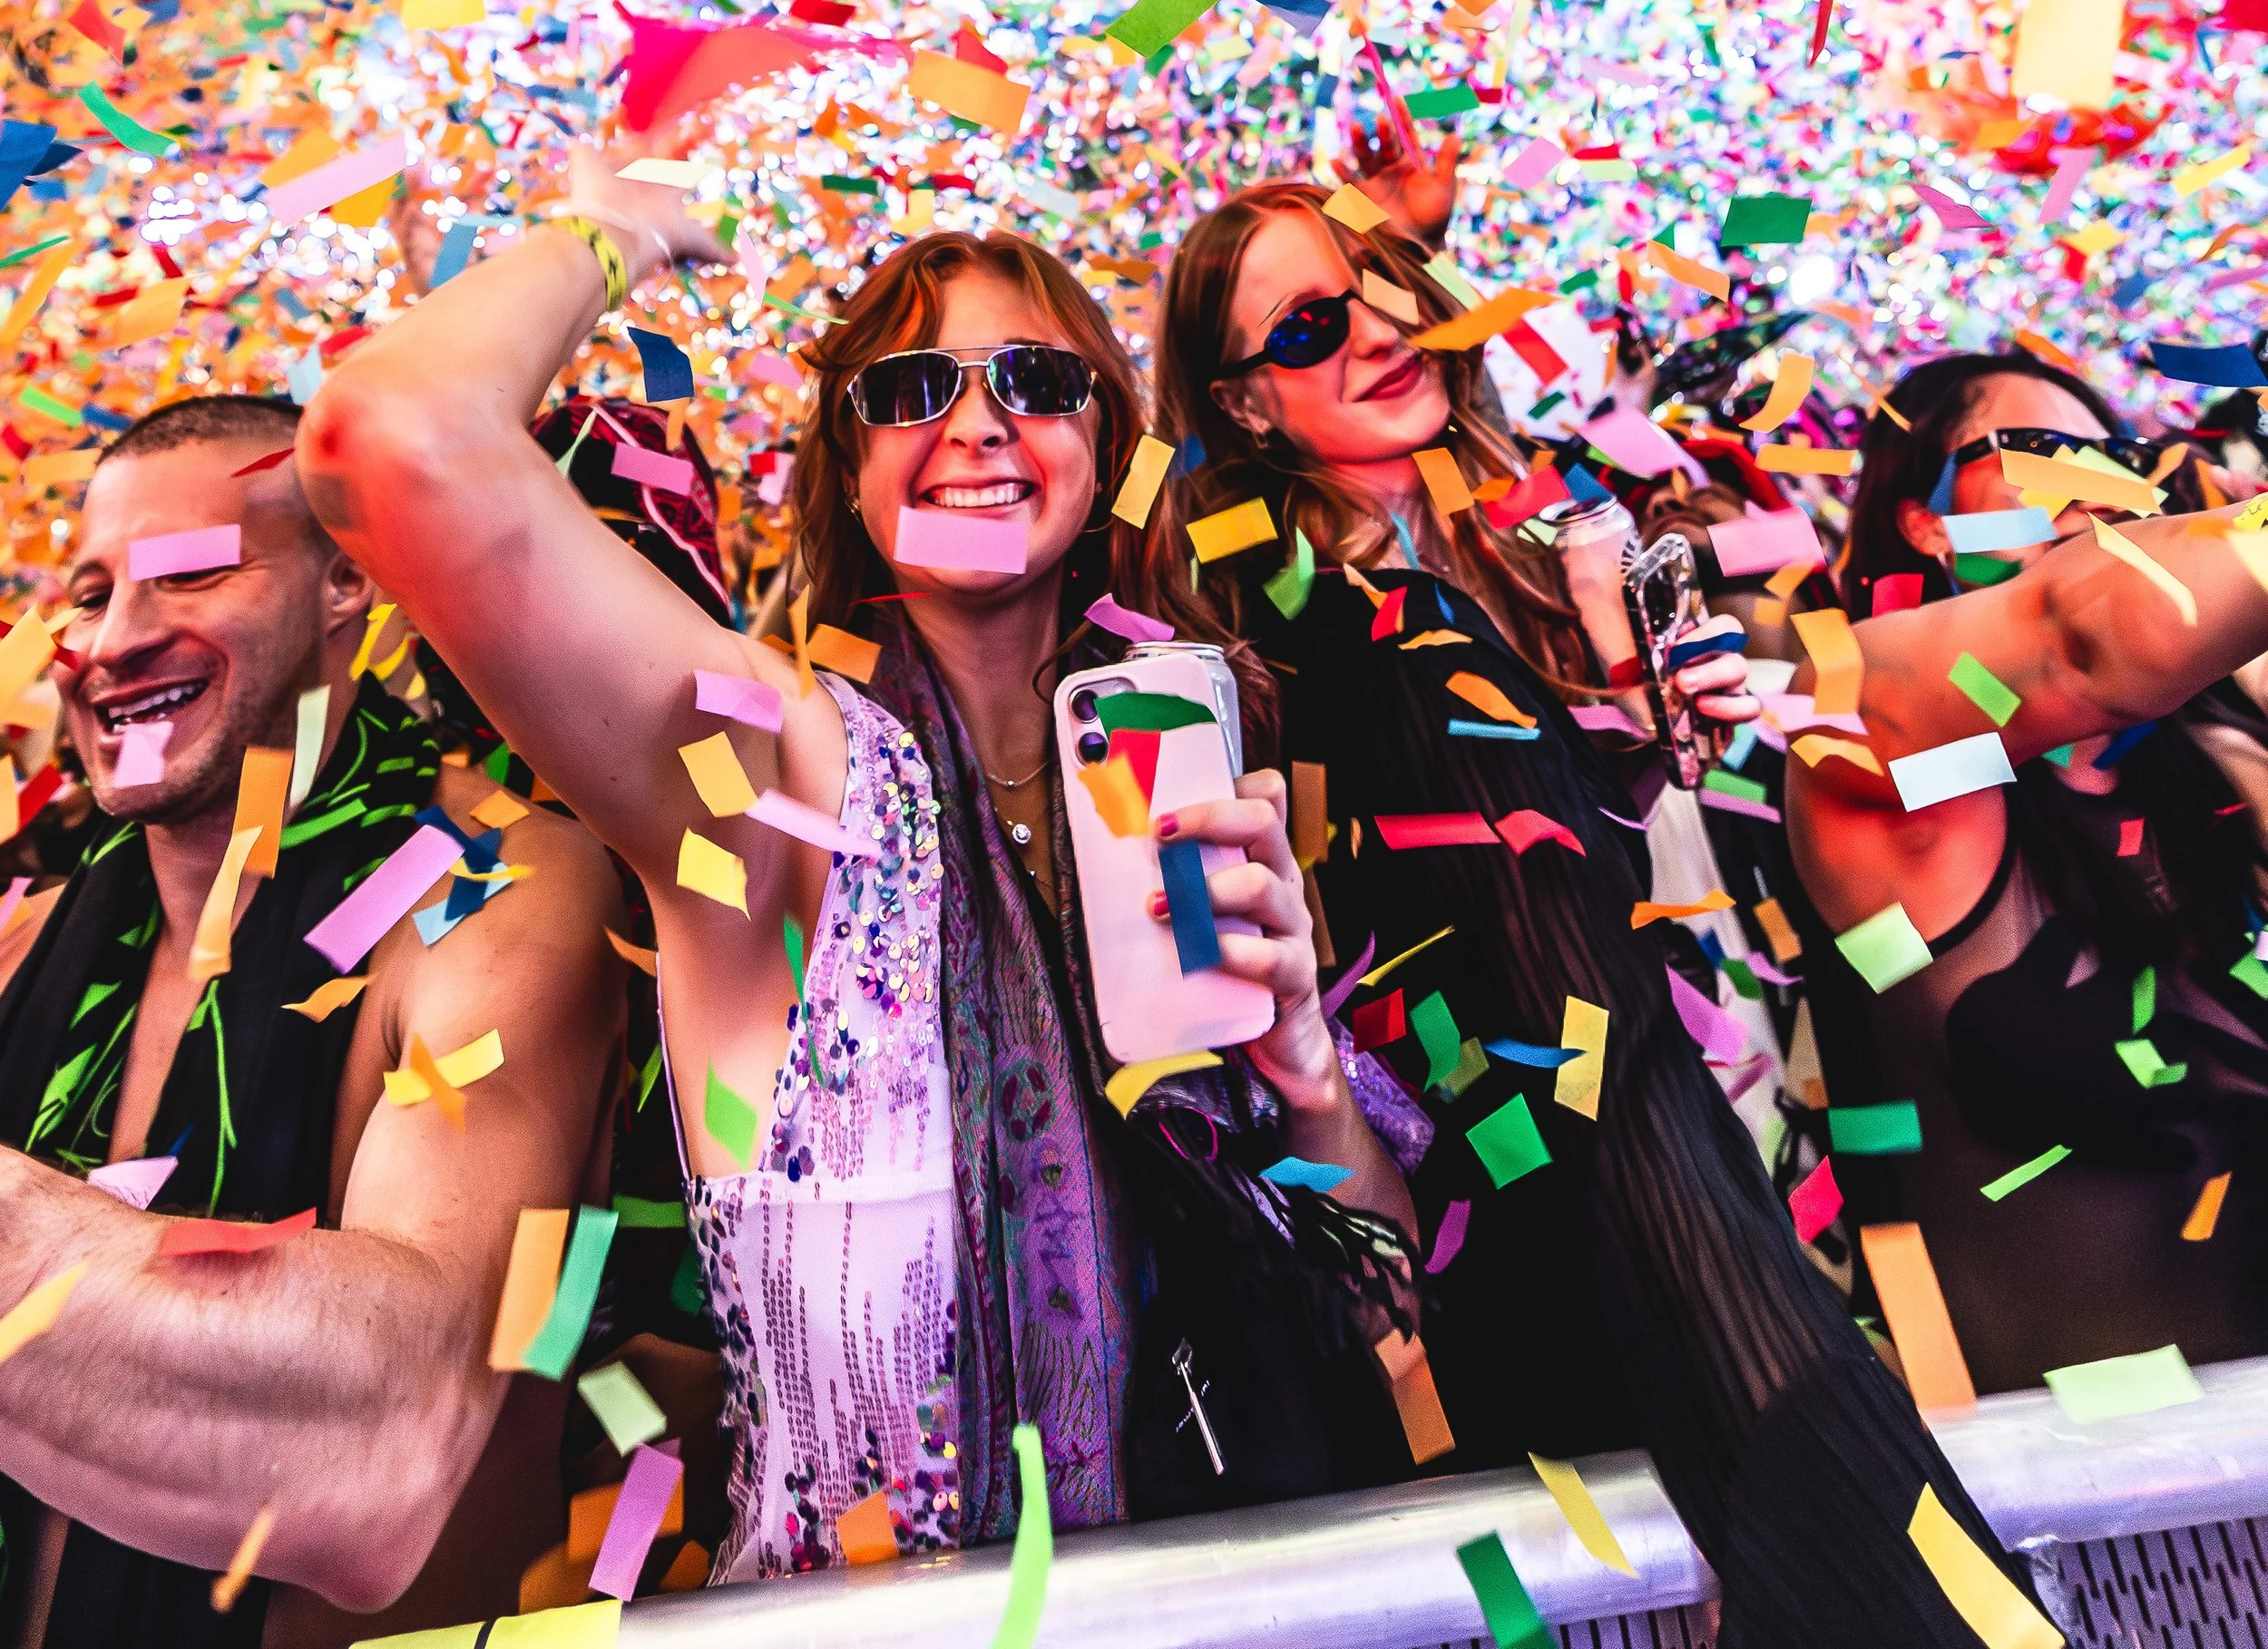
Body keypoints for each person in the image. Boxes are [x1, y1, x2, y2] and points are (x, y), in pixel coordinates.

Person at [299, 177, 1422, 1586]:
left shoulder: (1182, 772)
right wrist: (618, 224)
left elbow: (1384, 1302)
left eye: (1035, 379)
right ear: (844, 464)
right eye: (909, 388)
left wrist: (1305, 1067)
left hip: (1227, 1604)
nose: (980, 423)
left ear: (1105, 444)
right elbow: (388, 438)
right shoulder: (774, 772)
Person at [1151, 177, 2047, 1649]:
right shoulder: (1301, 637)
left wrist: (1649, 724)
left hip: (1749, 1203)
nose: (1374, 329)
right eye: (1308, 325)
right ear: (1241, 403)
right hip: (1563, 1256)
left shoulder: (1560, 563)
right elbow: (1518, 1017)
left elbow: (1689, 921)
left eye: (1387, 284)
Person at [0, 395, 629, 1648]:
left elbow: (379, 1439)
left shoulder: (496, 893)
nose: (115, 639)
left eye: (191, 574)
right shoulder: (25, 939)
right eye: (89, 594)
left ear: (347, 582)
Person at [1788, 348, 2268, 1398]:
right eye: (2043, 453)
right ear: (1924, 521)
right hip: (2064, 1478)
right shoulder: (1864, 720)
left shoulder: (2228, 765)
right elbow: (2080, 638)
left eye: (2117, 457)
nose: (2092, 484)